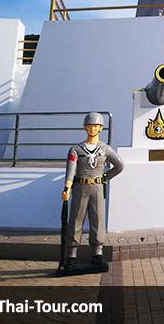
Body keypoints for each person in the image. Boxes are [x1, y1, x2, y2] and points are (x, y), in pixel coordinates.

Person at [61, 112, 124, 271]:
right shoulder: (75, 149)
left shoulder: (105, 149)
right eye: (89, 125)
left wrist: (105, 177)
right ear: (84, 127)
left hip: (97, 188)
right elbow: (70, 171)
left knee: (98, 220)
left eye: (96, 125)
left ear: (101, 128)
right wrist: (67, 187)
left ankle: (97, 253)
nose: (92, 128)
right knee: (75, 220)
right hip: (80, 186)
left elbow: (120, 165)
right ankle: (71, 255)